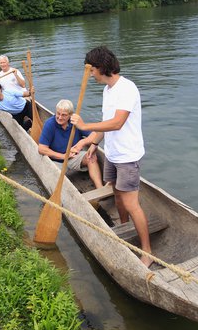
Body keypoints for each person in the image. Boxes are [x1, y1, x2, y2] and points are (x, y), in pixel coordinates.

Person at [70, 46, 152, 268]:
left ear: (101, 67)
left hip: (127, 156)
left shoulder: (127, 88)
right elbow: (107, 126)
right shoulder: (107, 90)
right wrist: (89, 141)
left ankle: (147, 252)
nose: (91, 75)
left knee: (131, 203)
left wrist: (85, 126)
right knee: (117, 196)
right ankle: (124, 230)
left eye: (91, 70)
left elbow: (118, 122)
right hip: (113, 154)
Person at [38, 100, 103, 189]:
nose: (60, 117)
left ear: (70, 115)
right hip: (56, 161)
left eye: (64, 115)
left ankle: (99, 188)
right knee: (54, 180)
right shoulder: (50, 124)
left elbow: (94, 134)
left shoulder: (75, 122)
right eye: (58, 113)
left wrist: (82, 142)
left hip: (73, 157)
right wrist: (63, 156)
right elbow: (41, 149)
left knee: (91, 156)